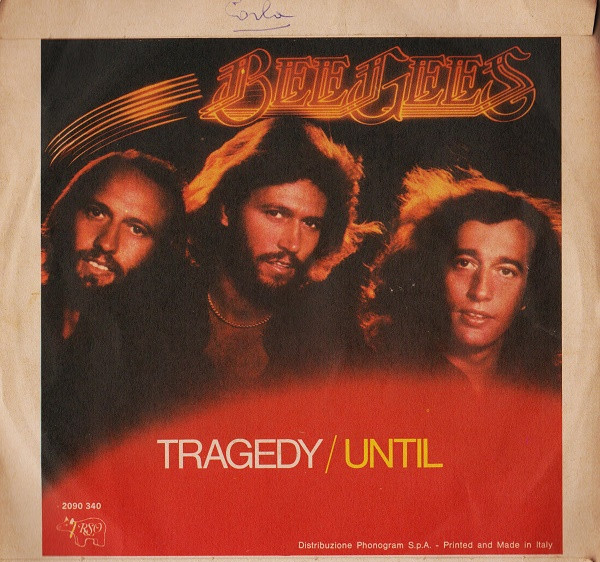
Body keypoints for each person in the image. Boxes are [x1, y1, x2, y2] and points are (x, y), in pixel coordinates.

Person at [184, 117, 381, 389]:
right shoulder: (163, 311)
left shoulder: (324, 347)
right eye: (276, 214)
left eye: (311, 224)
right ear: (226, 209)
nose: (293, 244)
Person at [42, 150, 190, 482]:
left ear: (159, 251)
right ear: (68, 210)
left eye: (137, 229)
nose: (107, 243)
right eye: (96, 212)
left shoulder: (114, 339)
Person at [362, 166, 561, 393]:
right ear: (434, 271)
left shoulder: (551, 389)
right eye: (465, 263)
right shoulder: (379, 379)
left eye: (505, 271)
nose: (480, 291)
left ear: (530, 289)